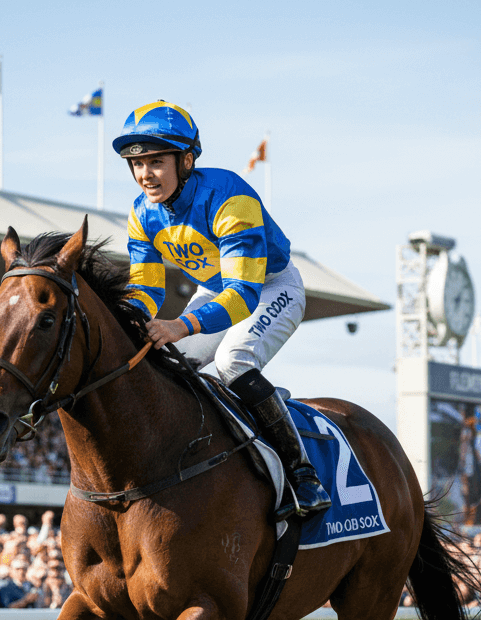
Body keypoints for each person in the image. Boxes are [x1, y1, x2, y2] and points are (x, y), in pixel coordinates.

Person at [114, 100, 330, 520]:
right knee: (168, 363)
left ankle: (303, 474)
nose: (144, 175)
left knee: (233, 360)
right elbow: (146, 290)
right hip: (214, 291)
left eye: (156, 161)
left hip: (270, 288)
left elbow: (244, 296)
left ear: (187, 159)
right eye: (136, 163)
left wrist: (181, 324)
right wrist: (129, 319)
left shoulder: (229, 196)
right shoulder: (141, 214)